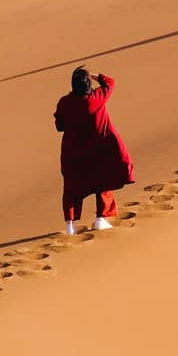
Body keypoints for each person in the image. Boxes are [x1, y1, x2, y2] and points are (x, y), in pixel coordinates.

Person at [54, 65, 135, 235]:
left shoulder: (65, 103)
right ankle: (100, 219)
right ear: (88, 85)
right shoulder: (96, 98)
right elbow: (110, 83)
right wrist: (95, 75)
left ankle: (70, 225)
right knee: (103, 180)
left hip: (73, 151)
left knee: (71, 187)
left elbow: (59, 126)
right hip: (97, 148)